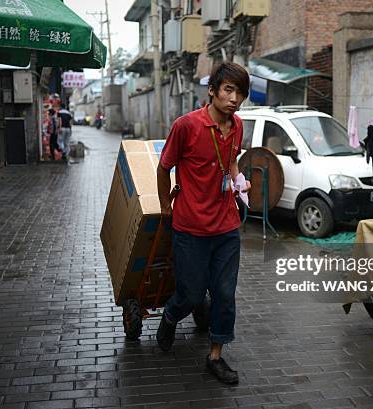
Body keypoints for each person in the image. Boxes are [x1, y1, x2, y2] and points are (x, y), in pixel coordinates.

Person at [155, 62, 251, 385]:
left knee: (224, 294)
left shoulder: (237, 126)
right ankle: (170, 316)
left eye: (240, 93)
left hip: (226, 225)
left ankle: (215, 356)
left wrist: (239, 180)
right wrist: (166, 205)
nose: (235, 98)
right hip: (190, 227)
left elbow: (232, 160)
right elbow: (163, 167)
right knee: (191, 295)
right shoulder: (186, 126)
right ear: (212, 90)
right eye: (228, 90)